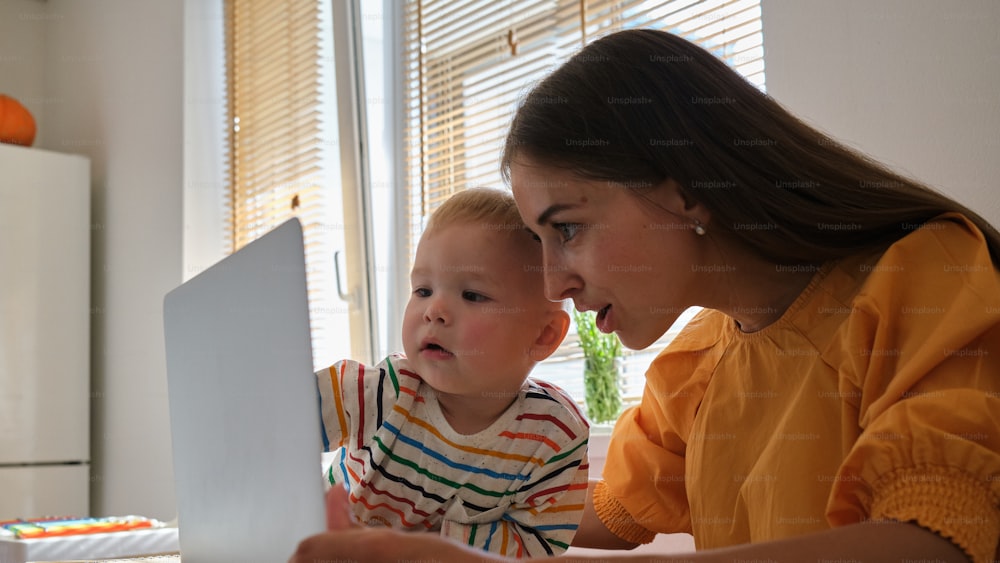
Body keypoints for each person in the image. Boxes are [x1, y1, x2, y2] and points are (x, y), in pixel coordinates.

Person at [290, 29, 1000, 562]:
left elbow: (933, 541)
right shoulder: (699, 368)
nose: (552, 284)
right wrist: (461, 440)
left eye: (566, 228)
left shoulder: (925, 275)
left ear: (683, 188)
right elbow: (593, 509)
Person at [312, 187, 590, 558]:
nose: (434, 311)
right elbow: (279, 416)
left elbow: (539, 544)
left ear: (543, 335)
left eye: (472, 295)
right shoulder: (384, 389)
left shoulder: (554, 436)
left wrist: (433, 547)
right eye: (422, 289)